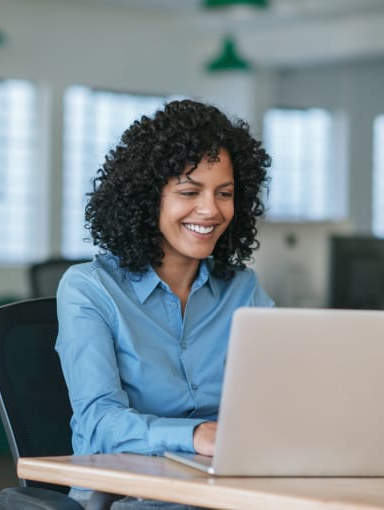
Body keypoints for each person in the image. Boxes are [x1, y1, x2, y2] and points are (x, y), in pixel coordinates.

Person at [56, 99, 274, 509]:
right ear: (147, 197)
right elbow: (98, 422)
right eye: (190, 191)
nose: (210, 209)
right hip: (127, 494)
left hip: (227, 489)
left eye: (224, 193)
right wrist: (195, 435)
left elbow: (283, 394)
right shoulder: (88, 289)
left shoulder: (244, 290)